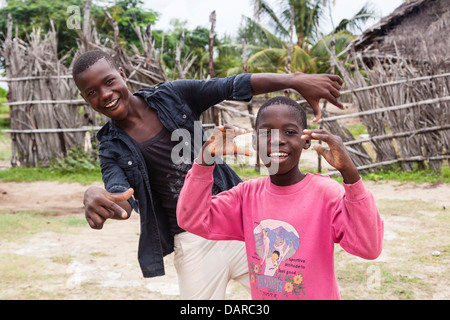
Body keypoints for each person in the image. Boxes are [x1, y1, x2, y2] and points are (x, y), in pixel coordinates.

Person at [72, 50, 344, 299]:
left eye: (108, 82)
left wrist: (295, 80)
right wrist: (97, 196)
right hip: (190, 243)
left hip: (239, 228)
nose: (105, 94)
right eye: (92, 91)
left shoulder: (172, 95)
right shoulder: (110, 146)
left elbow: (232, 85)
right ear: (85, 99)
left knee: (290, 293)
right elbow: (121, 198)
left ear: (121, 74)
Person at [177, 96, 384, 300]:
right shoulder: (247, 196)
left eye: (290, 132)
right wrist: (204, 161)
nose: (278, 140)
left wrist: (351, 175)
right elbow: (192, 218)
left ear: (306, 142)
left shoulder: (326, 194)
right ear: (255, 141)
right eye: (267, 132)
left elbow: (369, 247)